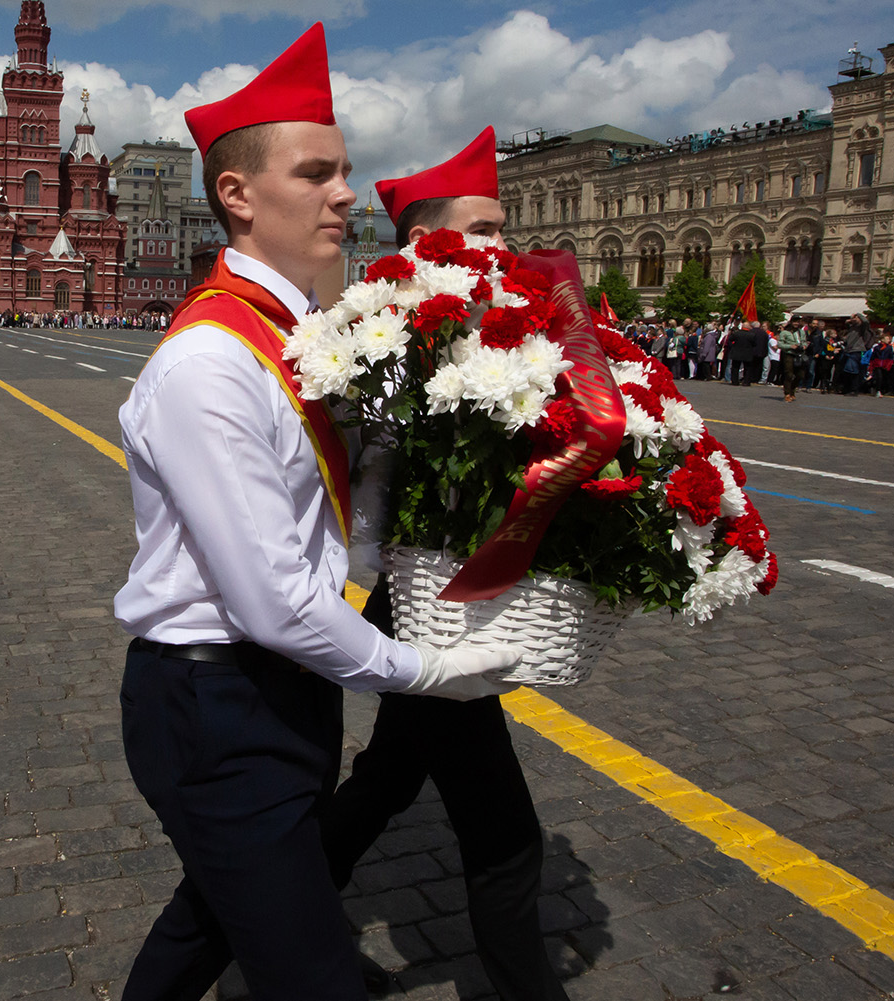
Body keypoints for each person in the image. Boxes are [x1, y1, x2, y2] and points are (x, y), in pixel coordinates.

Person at [114, 25, 520, 1001]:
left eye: (345, 171)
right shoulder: (212, 361)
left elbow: (338, 535)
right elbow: (278, 601)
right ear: (238, 195)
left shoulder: (295, 334)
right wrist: (434, 669)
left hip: (281, 692)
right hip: (217, 700)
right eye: (318, 172)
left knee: (203, 924)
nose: (346, 192)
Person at [318, 130, 570, 1001]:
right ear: (428, 244)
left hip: (445, 596)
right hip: (429, 602)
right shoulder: (390, 338)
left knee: (388, 780)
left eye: (504, 227)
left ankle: (279, 917)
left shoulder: (487, 328)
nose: (504, 244)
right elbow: (375, 473)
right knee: (504, 834)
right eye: (485, 228)